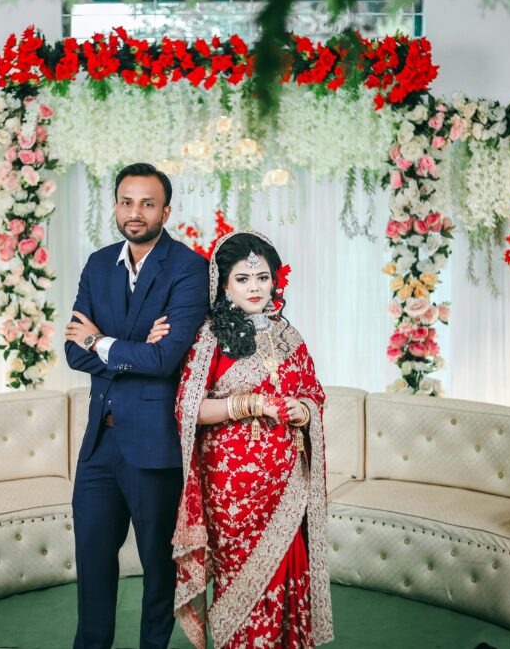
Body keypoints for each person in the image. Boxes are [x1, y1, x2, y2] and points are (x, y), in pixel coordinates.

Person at [156, 231, 334, 648]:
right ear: (223, 283)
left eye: (263, 277)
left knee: (287, 572)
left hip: (287, 483)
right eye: (242, 278)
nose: (255, 287)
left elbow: (314, 396)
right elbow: (189, 410)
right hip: (232, 488)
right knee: (242, 578)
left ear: (275, 281)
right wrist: (250, 404)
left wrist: (302, 410)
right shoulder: (209, 337)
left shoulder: (290, 337)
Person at [63, 162, 210, 649]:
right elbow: (70, 350)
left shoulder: (189, 267)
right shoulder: (99, 262)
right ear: (115, 206)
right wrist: (132, 348)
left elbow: (167, 358)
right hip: (98, 445)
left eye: (148, 203)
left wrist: (101, 342)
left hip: (153, 444)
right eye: (127, 201)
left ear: (165, 210)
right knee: (93, 565)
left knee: (157, 569)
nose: (135, 212)